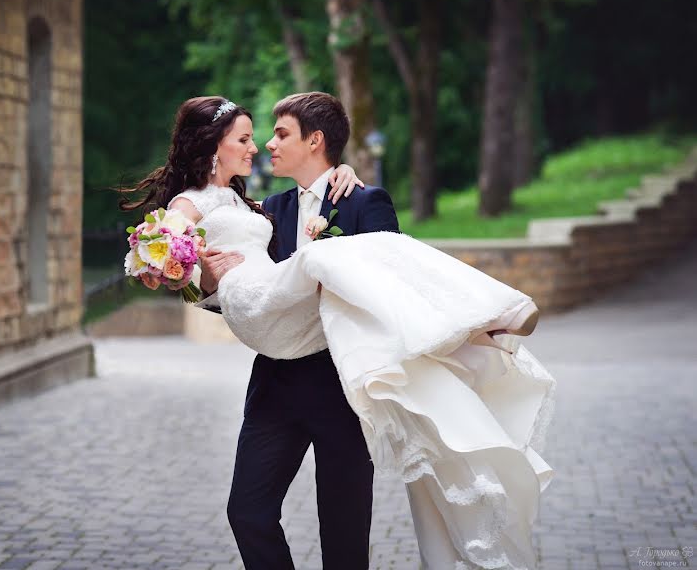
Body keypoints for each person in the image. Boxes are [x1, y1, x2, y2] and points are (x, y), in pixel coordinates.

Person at [124, 93, 556, 569]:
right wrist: (203, 283)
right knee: (247, 512)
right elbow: (235, 285)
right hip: (276, 381)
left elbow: (396, 285)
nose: (265, 145)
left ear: (315, 141)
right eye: (253, 137)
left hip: (341, 386)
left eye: (279, 133)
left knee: (344, 531)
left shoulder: (363, 201)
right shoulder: (267, 211)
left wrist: (346, 179)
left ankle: (483, 317)